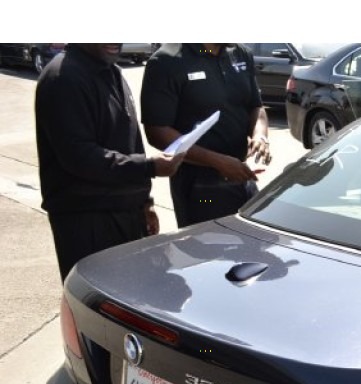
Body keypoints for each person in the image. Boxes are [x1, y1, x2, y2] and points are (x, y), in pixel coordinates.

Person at [34, 43, 182, 281]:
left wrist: (146, 202)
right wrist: (150, 167)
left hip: (126, 214)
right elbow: (79, 157)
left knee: (131, 297)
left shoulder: (112, 70)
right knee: (96, 309)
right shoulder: (63, 77)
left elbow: (130, 141)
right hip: (87, 221)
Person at [140, 44, 272, 228]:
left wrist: (260, 136)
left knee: (253, 246)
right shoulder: (166, 61)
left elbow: (255, 106)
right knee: (209, 250)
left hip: (241, 177)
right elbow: (157, 131)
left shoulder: (240, 53)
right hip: (199, 190)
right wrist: (217, 161)